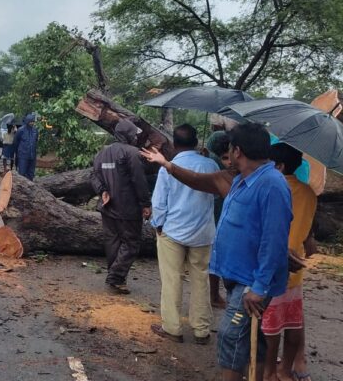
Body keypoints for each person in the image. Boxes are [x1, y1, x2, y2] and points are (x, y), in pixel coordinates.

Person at [142, 123, 292, 381]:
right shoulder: (240, 179)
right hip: (238, 277)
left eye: (230, 150)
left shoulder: (271, 184)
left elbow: (274, 238)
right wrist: (167, 165)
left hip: (250, 283)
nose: (228, 155)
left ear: (238, 151)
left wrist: (259, 286)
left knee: (231, 337)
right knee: (249, 340)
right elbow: (198, 180)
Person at [149, 124, 220, 344]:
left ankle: (172, 327)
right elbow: (217, 196)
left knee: (172, 278)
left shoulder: (169, 167)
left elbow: (159, 202)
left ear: (175, 145)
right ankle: (201, 330)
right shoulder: (211, 165)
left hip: (173, 230)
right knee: (201, 279)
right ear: (197, 142)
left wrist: (157, 224)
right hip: (203, 232)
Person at [262, 143, 317, 381]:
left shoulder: (274, 189)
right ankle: (287, 368)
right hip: (297, 269)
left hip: (274, 267)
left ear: (279, 166)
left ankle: (270, 371)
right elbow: (307, 233)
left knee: (272, 325)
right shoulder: (308, 193)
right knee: (293, 321)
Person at [92, 119, 151, 294]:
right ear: (128, 135)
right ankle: (116, 277)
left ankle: (116, 278)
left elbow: (93, 176)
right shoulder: (132, 153)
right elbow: (139, 181)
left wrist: (102, 191)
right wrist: (146, 204)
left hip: (107, 206)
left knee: (113, 242)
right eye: (134, 134)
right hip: (128, 208)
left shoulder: (102, 153)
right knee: (132, 243)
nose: (135, 137)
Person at [205, 131, 232, 309]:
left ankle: (217, 293)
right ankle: (216, 294)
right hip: (220, 217)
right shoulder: (219, 167)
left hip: (216, 218)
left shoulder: (211, 163)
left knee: (216, 259)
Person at [13, 113, 38, 180]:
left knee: (31, 173)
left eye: (33, 122)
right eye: (30, 122)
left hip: (32, 156)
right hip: (23, 156)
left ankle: (30, 188)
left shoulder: (35, 130)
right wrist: (18, 153)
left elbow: (36, 141)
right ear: (27, 121)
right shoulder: (21, 130)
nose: (32, 123)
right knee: (22, 173)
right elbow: (15, 143)